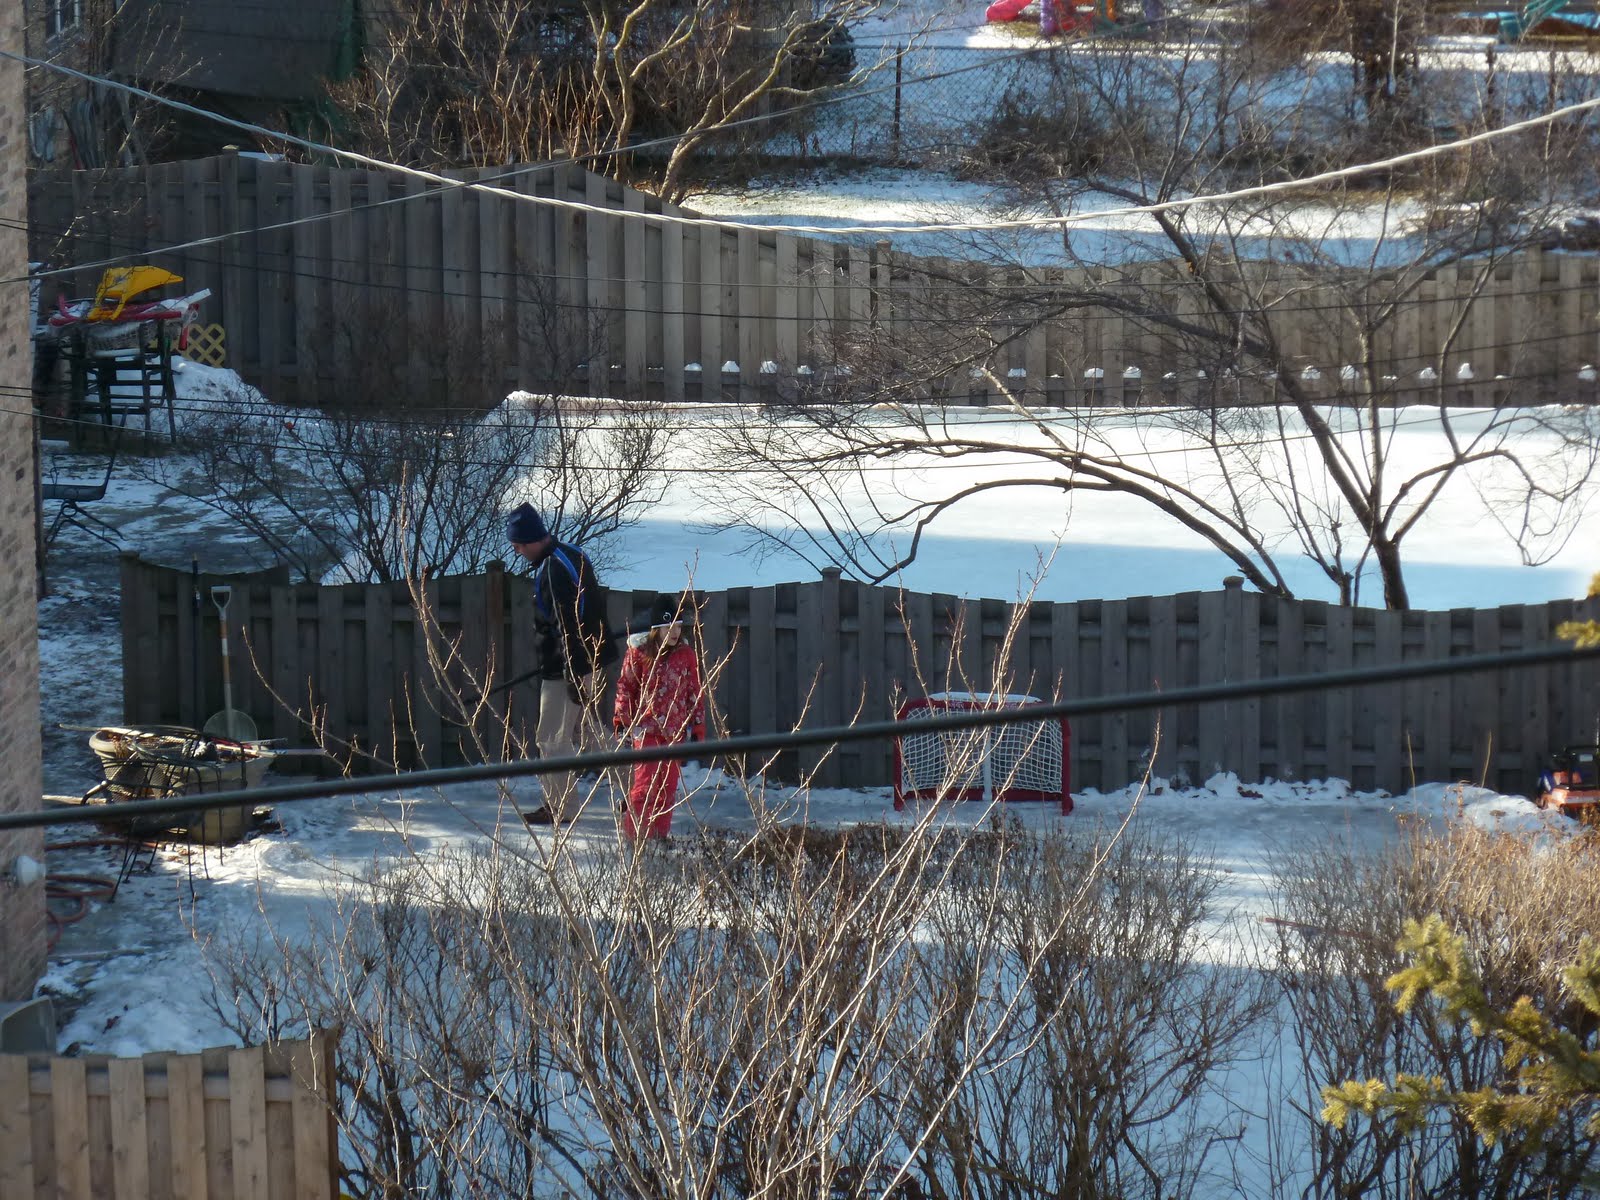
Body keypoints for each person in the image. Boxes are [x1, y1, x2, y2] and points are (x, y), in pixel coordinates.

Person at [506, 502, 618, 825]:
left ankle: (560, 809)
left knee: (550, 739)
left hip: (569, 668)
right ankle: (638, 790)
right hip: (592, 660)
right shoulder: (573, 554)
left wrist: (571, 673)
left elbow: (567, 626)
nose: (518, 552)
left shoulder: (552, 573)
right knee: (591, 732)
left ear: (529, 541)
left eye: (518, 546)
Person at [612, 593, 705, 841]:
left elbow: (694, 692)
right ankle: (635, 837)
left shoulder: (686, 655)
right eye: (668, 626)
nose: (674, 632)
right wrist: (622, 719)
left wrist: (697, 727)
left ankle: (660, 837)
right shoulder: (639, 653)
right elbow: (626, 687)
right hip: (646, 731)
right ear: (656, 628)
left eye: (678, 626)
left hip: (674, 732)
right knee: (644, 788)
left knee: (667, 789)